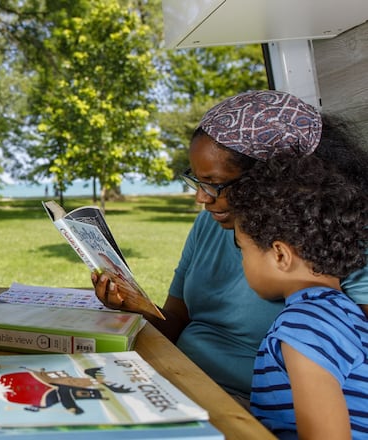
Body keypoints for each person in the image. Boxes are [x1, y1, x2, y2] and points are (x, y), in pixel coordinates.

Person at [93, 90, 368, 404]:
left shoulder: (341, 237)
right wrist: (134, 305)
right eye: (196, 181)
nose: (202, 198)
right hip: (177, 375)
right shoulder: (208, 224)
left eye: (214, 183)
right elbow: (176, 320)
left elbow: (350, 377)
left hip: (252, 405)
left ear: (270, 179)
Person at [227, 155, 368, 438]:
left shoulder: (306, 323)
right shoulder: (343, 312)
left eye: (242, 249)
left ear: (280, 254)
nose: (242, 262)